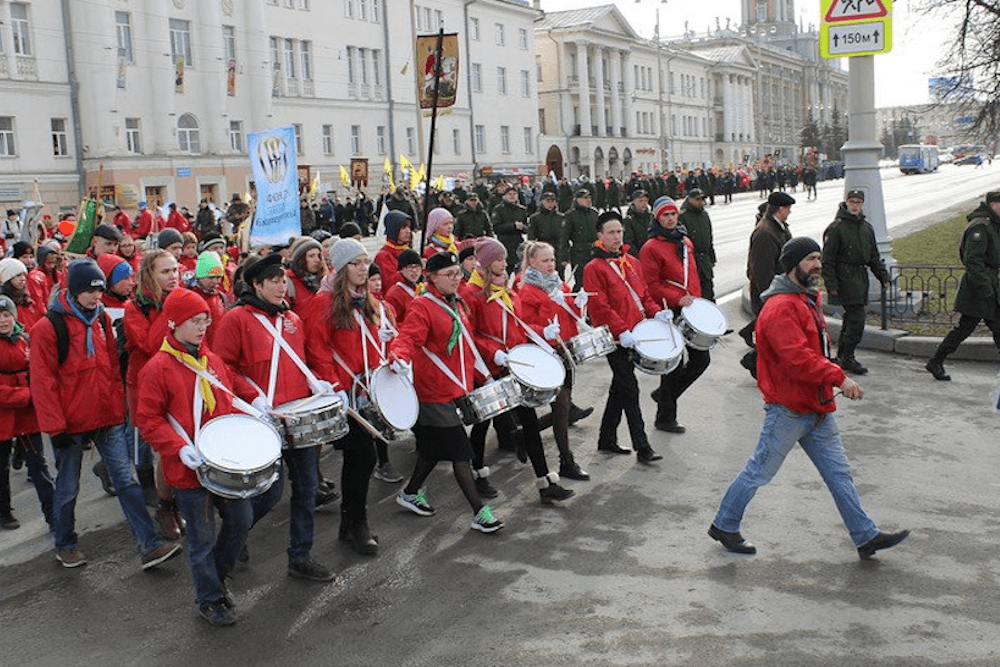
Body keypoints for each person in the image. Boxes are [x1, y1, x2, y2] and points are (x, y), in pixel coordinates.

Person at [709, 237, 910, 560]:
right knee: (759, 471)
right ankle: (725, 524)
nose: (817, 265)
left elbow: (816, 350)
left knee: (839, 473)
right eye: (809, 260)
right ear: (792, 266)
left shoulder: (804, 298)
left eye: (818, 258)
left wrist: (831, 374)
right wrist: (838, 378)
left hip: (816, 407)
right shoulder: (781, 307)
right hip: (788, 408)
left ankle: (865, 535)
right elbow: (797, 359)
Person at [30, 259, 182, 570]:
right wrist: (55, 428)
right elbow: (43, 384)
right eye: (90, 292)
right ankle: (65, 543)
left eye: (100, 291)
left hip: (107, 420)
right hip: (70, 425)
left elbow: (113, 369)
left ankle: (149, 545)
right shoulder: (48, 328)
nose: (97, 297)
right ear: (74, 291)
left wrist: (117, 412)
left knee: (127, 483)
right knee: (68, 487)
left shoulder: (99, 320)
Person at [135, 289, 257, 626]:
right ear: (174, 324)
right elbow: (149, 419)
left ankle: (216, 577)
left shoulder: (211, 360)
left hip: (224, 462)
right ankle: (210, 598)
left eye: (205, 319)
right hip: (189, 471)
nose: (203, 326)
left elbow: (227, 401)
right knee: (201, 539)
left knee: (242, 519)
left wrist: (252, 415)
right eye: (195, 321)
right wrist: (178, 448)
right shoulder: (157, 368)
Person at [214, 254, 338, 582]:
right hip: (261, 420)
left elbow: (303, 361)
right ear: (256, 284)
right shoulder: (236, 319)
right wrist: (253, 397)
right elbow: (223, 368)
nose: (283, 286)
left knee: (308, 487)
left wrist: (317, 383)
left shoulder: (292, 320)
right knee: (269, 492)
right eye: (274, 281)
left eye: (284, 280)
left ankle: (300, 556)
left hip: (296, 418)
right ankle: (233, 535)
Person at [387, 251, 504, 533]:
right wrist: (399, 357)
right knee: (460, 452)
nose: (456, 279)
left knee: (431, 450)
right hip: (433, 391)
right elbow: (408, 338)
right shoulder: (422, 306)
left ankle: (411, 492)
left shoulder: (458, 302)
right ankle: (479, 512)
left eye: (458, 274)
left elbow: (466, 347)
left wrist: (483, 375)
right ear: (432, 277)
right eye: (450, 275)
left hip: (455, 386)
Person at [465, 239, 575, 503]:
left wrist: (541, 333)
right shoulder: (472, 295)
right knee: (483, 424)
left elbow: (518, 328)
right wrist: (494, 352)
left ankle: (544, 482)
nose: (504, 264)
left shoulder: (507, 292)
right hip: (488, 370)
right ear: (485, 262)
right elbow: (470, 336)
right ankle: (477, 474)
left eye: (504, 259)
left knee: (528, 422)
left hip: (512, 366)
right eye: (498, 259)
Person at [303, 238, 385, 554]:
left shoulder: (365, 299)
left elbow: (371, 344)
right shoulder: (322, 303)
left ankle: (350, 523)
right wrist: (335, 387)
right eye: (356, 263)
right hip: (343, 395)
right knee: (363, 457)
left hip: (365, 392)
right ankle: (356, 523)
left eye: (365, 263)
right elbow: (318, 350)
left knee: (360, 458)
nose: (363, 269)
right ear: (340, 268)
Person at [583, 211, 663, 462]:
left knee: (620, 387)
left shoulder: (631, 261)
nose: (616, 237)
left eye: (619, 232)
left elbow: (644, 296)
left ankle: (606, 439)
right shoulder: (594, 268)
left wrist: (657, 314)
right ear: (600, 236)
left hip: (636, 335)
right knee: (630, 388)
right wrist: (621, 331)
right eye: (611, 233)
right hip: (616, 339)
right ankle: (642, 446)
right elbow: (600, 308)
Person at [517, 241, 590, 480]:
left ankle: (523, 435)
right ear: (532, 263)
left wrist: (579, 305)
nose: (551, 265)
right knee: (561, 406)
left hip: (565, 349)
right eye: (545, 261)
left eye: (552, 260)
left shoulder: (559, 283)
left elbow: (571, 317)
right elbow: (524, 327)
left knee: (565, 406)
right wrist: (545, 331)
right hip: (548, 354)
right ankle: (566, 460)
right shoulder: (527, 290)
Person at [124, 249, 183, 540]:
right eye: (165, 272)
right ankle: (166, 506)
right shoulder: (134, 307)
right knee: (166, 450)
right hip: (148, 387)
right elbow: (149, 344)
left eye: (175, 270)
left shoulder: (181, 297)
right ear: (150, 275)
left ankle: (181, 501)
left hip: (180, 381)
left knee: (185, 445)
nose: (173, 276)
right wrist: (171, 307)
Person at [640, 196, 710, 434]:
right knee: (673, 364)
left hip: (690, 308)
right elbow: (650, 284)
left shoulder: (685, 241)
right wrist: (676, 298)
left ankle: (663, 396)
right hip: (669, 309)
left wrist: (698, 302)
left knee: (702, 360)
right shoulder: (651, 247)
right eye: (665, 215)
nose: (670, 219)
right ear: (657, 218)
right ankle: (665, 417)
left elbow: (692, 276)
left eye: (673, 214)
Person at [926, 191, 1000, 381]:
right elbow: (973, 261)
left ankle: (936, 361)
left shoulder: (992, 225)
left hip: (989, 285)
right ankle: (936, 361)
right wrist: (986, 288)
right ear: (992, 204)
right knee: (965, 329)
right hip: (979, 289)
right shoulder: (981, 227)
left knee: (971, 328)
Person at [0, 294, 55, 531]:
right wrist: (25, 395)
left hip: (27, 416)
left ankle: (54, 515)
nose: (3, 320)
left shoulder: (25, 340)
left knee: (38, 466)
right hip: (4, 415)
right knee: (1, 469)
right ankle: (4, 511)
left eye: (6, 314)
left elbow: (40, 371)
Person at [821, 190, 890, 375]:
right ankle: (848, 356)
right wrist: (831, 284)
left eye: (858, 202)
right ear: (847, 202)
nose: (855, 205)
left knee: (851, 319)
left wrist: (883, 276)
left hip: (860, 278)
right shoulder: (837, 227)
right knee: (857, 319)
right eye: (852, 201)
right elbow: (828, 260)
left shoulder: (867, 228)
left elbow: (873, 256)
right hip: (845, 278)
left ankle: (844, 355)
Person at [739, 192, 795, 377]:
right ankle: (754, 362)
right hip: (771, 293)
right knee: (773, 335)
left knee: (775, 334)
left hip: (779, 290)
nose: (789, 212)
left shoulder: (777, 228)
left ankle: (758, 361)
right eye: (788, 209)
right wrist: (770, 297)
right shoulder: (765, 233)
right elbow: (762, 272)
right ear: (781, 209)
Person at [679, 188, 718, 301]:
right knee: (695, 296)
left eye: (702, 199)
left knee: (709, 293)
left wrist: (711, 257)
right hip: (691, 260)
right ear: (690, 200)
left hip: (704, 260)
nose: (701, 202)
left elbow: (708, 237)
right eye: (697, 199)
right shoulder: (683, 216)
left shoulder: (704, 215)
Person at [285, 236, 327, 317]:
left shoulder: (326, 281)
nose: (317, 260)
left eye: (319, 256)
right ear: (300, 259)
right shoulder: (288, 282)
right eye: (311, 256)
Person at [565, 189, 599, 289]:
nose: (588, 200)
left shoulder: (594, 213)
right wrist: (564, 256)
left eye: (589, 197)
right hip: (579, 252)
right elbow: (564, 237)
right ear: (577, 200)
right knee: (580, 282)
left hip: (594, 250)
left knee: (595, 280)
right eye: (584, 198)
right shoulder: (570, 215)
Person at [373, 211, 413, 292]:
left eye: (409, 227)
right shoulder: (383, 255)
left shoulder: (408, 250)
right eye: (403, 227)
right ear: (394, 229)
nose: (408, 231)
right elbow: (389, 283)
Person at [491, 185, 528, 272]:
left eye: (514, 194)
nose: (512, 196)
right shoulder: (499, 209)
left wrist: (522, 227)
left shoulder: (521, 210)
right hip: (504, 243)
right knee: (504, 272)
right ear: (505, 196)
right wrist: (512, 226)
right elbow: (496, 228)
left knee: (520, 273)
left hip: (518, 244)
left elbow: (527, 229)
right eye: (510, 194)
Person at [1, 258, 44, 331]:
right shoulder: (4, 303)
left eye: (24, 275)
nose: (23, 279)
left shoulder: (27, 299)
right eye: (18, 275)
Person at [527, 192, 568, 268]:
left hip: (558, 250)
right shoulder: (535, 218)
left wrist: (565, 256)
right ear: (542, 202)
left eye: (552, 201)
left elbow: (565, 237)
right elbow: (531, 237)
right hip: (542, 249)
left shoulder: (561, 217)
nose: (550, 204)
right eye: (547, 201)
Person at [383, 249, 423, 324]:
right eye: (410, 267)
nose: (414, 270)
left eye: (417, 266)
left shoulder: (422, 288)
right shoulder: (394, 294)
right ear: (401, 270)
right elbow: (392, 323)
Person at [623, 190, 652, 257]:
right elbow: (628, 241)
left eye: (646, 201)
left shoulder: (651, 217)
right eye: (641, 201)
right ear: (634, 202)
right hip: (638, 256)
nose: (644, 203)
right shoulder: (629, 220)